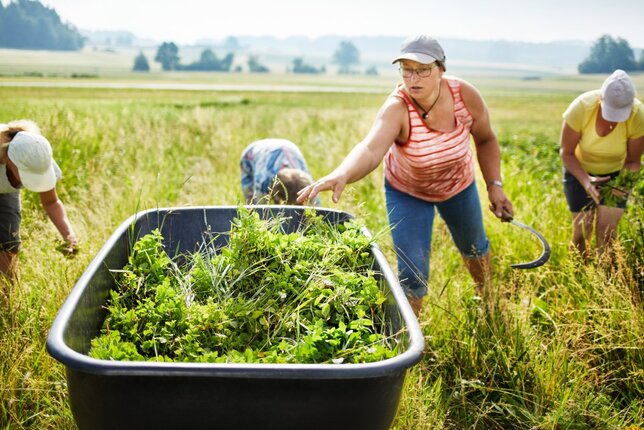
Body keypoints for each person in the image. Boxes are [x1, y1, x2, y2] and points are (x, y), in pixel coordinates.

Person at [297, 35, 513, 315]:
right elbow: (371, 148)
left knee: (475, 248)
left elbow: (485, 139)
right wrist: (342, 174)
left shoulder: (465, 96)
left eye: (423, 69)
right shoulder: (397, 107)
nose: (414, 78)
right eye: (407, 69)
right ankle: (411, 339)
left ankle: (490, 303)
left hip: (458, 186)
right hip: (408, 193)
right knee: (412, 272)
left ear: (441, 69)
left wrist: (495, 185)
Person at [560, 69, 643, 259]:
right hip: (579, 172)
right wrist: (586, 181)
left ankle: (605, 278)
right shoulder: (581, 107)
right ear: (601, 99)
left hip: (616, 175)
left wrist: (623, 185)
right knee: (582, 232)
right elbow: (567, 153)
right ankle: (579, 274)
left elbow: (633, 161)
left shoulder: (638, 115)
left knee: (607, 235)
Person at [0, 120, 78, 283]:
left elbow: (51, 202)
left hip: (6, 191)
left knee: (9, 242)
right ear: (10, 161)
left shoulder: (38, 157)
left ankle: (6, 295)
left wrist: (68, 234)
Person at [240, 138, 320, 205]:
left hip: (289, 149)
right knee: (251, 203)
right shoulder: (262, 180)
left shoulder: (304, 176)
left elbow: (315, 203)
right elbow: (260, 208)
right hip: (251, 155)